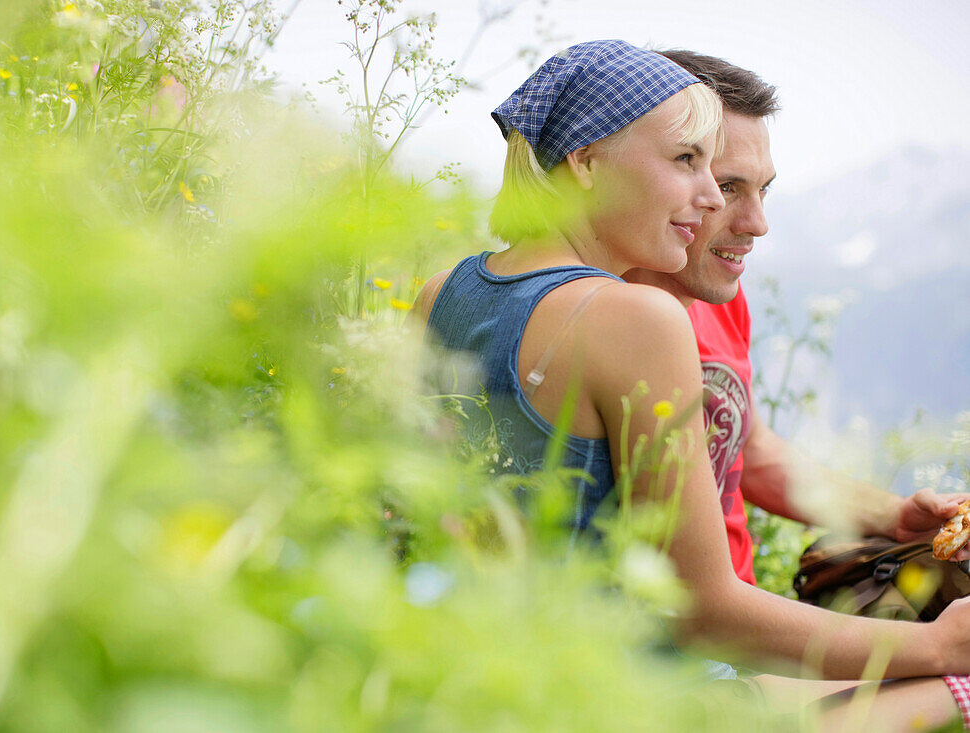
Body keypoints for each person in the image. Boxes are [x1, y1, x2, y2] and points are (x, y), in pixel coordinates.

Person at [413, 39, 970, 728]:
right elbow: (703, 608)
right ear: (586, 161)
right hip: (636, 694)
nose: (715, 201)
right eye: (690, 164)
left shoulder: (442, 293)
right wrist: (938, 643)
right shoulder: (637, 318)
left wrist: (889, 516)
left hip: (488, 677)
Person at [626, 48, 970, 587]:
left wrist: (895, 515)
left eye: (762, 189)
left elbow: (754, 451)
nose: (758, 223)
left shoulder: (719, 299)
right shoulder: (606, 321)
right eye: (728, 187)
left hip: (744, 616)